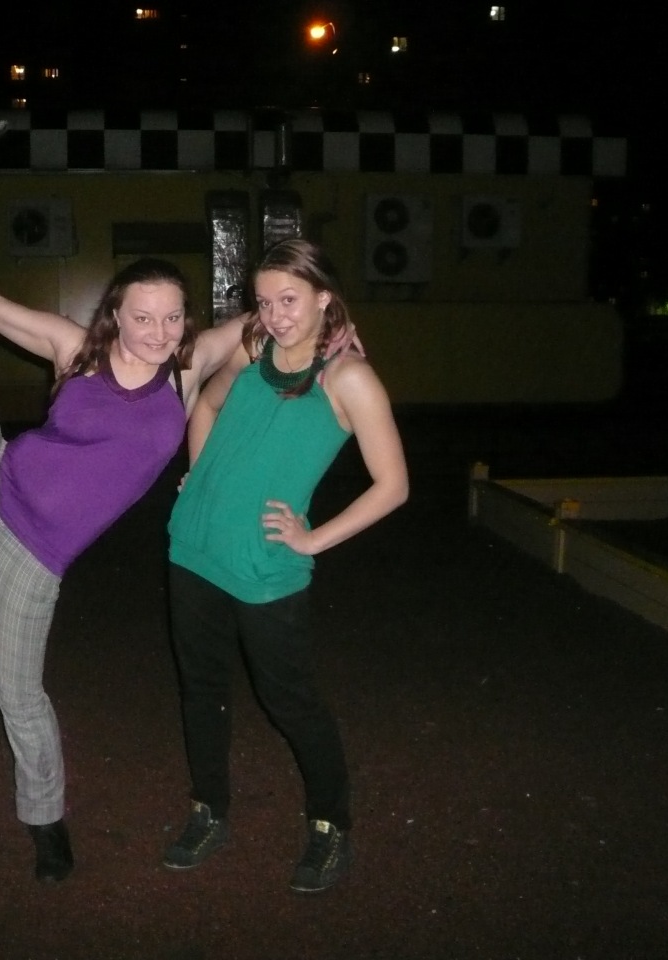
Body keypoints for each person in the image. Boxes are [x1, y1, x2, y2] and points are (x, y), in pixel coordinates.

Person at [0, 119, 245, 885]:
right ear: (116, 314)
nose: (158, 331)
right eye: (143, 316)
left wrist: (328, 323)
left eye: (172, 317)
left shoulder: (187, 371)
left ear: (186, 319)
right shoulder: (72, 347)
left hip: (27, 557)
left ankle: (45, 820)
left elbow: (264, 322)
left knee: (18, 692)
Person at [159, 238, 409, 893]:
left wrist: (313, 539)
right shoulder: (254, 347)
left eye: (289, 299)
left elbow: (393, 486)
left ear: (325, 296)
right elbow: (206, 405)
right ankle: (208, 811)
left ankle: (332, 826)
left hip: (265, 565)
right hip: (193, 546)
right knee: (202, 689)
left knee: (290, 701)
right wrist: (200, 474)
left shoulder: (348, 378)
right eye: (264, 302)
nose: (275, 315)